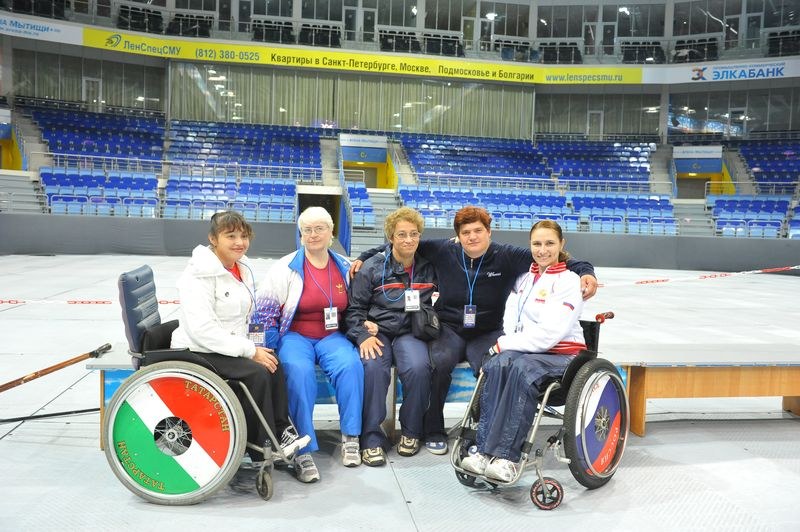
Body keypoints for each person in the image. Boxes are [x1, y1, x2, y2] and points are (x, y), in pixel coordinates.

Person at [352, 206, 597, 454]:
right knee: (439, 362)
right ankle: (433, 427)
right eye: (466, 232)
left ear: (489, 232)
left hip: (487, 331)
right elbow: (402, 244)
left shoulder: (507, 255)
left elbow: (552, 256)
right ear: (457, 235)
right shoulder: (444, 250)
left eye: (478, 230)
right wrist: (364, 256)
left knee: (492, 366)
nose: (472, 237)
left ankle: (483, 430)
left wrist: (586, 271)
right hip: (449, 328)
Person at [170, 210, 310, 467]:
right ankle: (261, 449)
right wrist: (248, 350)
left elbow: (246, 314)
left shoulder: (240, 267)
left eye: (244, 236)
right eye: (231, 236)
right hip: (199, 348)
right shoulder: (196, 276)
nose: (239, 242)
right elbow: (202, 330)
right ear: (213, 239)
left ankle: (281, 432)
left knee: (272, 362)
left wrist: (256, 344)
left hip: (226, 344)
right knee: (256, 373)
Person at [460, 220, 586, 482]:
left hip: (562, 355)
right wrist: (506, 345)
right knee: (497, 365)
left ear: (561, 245)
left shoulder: (569, 281)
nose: (543, 250)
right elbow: (510, 321)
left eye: (550, 243)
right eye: (537, 244)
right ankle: (484, 451)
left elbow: (549, 335)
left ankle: (507, 457)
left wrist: (503, 344)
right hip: (527, 350)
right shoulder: (524, 278)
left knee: (520, 368)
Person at [256, 206, 364, 483]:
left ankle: (351, 435)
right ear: (300, 234)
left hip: (332, 336)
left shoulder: (344, 265)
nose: (313, 234)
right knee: (297, 371)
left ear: (331, 233)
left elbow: (359, 305)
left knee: (350, 365)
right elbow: (265, 312)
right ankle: (302, 448)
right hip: (295, 335)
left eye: (320, 228)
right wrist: (268, 347)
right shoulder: (286, 266)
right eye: (307, 230)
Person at [345, 207, 437, 466]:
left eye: (414, 234)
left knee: (419, 368)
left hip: (411, 333)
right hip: (379, 332)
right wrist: (362, 334)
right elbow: (354, 310)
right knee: (373, 367)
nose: (408, 240)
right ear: (391, 237)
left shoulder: (429, 267)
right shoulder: (372, 268)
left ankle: (411, 431)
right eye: (402, 234)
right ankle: (372, 437)